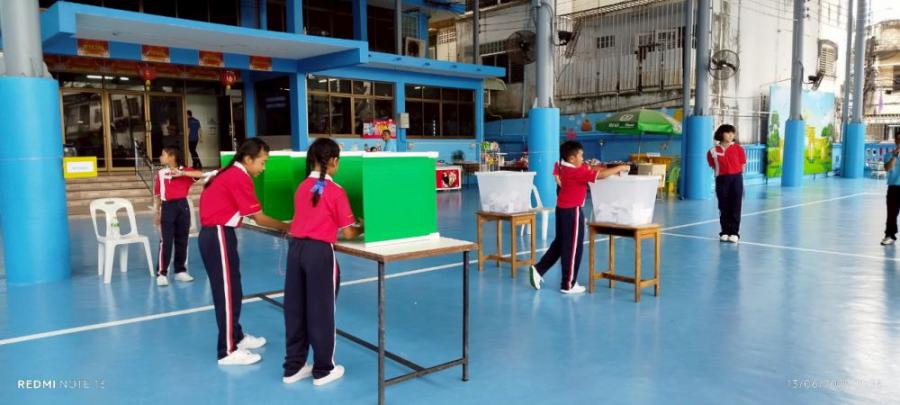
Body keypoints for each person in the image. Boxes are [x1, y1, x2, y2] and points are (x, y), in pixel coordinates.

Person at [198, 138, 291, 366]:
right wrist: (288, 226)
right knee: (226, 293)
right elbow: (259, 217)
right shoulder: (238, 176)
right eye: (262, 162)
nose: (263, 168)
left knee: (234, 288)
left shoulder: (230, 172)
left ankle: (236, 336)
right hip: (218, 234)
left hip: (221, 233)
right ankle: (227, 350)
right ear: (248, 159)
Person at [282, 138, 363, 386]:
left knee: (295, 310)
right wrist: (364, 226)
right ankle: (324, 369)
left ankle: (293, 367)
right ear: (334, 161)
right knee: (322, 311)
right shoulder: (336, 191)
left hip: (295, 250)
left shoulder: (302, 187)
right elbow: (349, 232)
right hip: (319, 253)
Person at [529, 141, 629, 294]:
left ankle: (538, 269)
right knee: (573, 248)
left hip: (562, 209)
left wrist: (609, 170)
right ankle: (568, 284)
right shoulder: (575, 172)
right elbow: (600, 175)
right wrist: (620, 167)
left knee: (560, 244)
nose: (583, 158)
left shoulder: (564, 166)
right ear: (571, 158)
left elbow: (589, 168)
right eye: (580, 156)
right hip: (572, 212)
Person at [153, 146, 203, 287]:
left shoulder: (185, 171)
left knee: (182, 239)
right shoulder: (161, 173)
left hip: (183, 206)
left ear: (172, 157)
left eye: (163, 155)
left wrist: (182, 173)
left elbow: (201, 174)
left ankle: (180, 270)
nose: (160, 157)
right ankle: (162, 273)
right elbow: (157, 195)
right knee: (166, 241)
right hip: (167, 207)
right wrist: (157, 212)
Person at [707, 124, 746, 243]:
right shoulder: (712, 151)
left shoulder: (739, 149)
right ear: (721, 134)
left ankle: (734, 233)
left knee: (735, 206)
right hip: (721, 180)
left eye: (732, 133)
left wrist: (735, 174)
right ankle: (724, 231)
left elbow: (742, 165)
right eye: (728, 132)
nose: (730, 135)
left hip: (736, 179)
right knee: (723, 206)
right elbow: (713, 165)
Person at [881, 132, 900, 245]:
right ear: (895, 141)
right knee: (891, 214)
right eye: (898, 139)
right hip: (894, 188)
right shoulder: (889, 155)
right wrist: (895, 156)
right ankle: (889, 235)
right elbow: (887, 168)